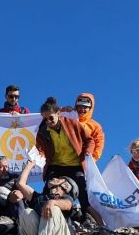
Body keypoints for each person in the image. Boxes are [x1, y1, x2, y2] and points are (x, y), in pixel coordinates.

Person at [35, 97, 101, 226]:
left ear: (58, 114)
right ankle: (43, 219)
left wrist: (88, 151)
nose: (48, 121)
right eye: (45, 118)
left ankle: (100, 225)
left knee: (83, 195)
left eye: (51, 118)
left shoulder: (72, 124)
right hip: (55, 165)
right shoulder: (43, 131)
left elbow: (90, 140)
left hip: (75, 165)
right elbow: (40, 148)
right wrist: (39, 156)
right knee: (48, 192)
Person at [14, 158, 77, 235]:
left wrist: (52, 202)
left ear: (66, 186)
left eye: (59, 179)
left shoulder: (65, 198)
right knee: (27, 212)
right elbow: (20, 183)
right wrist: (29, 166)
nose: (55, 178)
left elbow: (68, 205)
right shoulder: (40, 197)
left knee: (54, 208)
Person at [61, 93, 105, 161]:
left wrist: (92, 159)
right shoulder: (67, 117)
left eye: (85, 107)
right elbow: (52, 117)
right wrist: (63, 110)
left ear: (90, 108)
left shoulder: (95, 126)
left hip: (81, 160)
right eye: (79, 106)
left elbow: (98, 143)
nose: (82, 109)